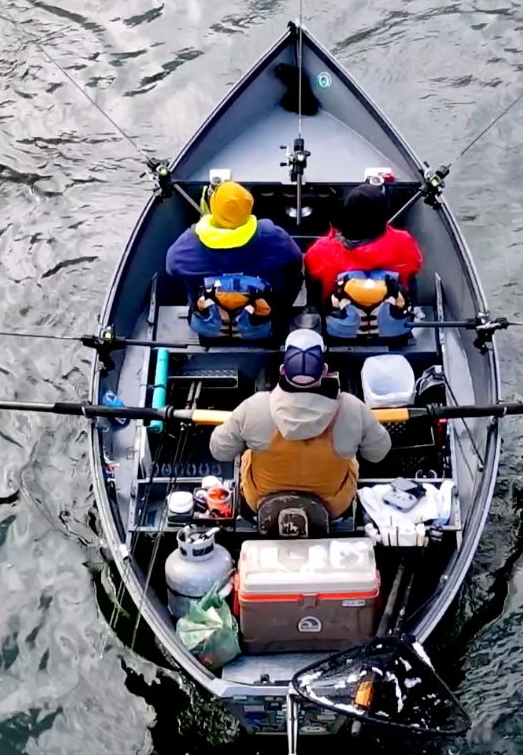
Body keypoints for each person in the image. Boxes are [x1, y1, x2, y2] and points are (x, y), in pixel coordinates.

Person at [210, 329, 391, 516]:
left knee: (249, 454)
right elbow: (378, 453)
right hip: (331, 508)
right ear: (324, 371)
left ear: (282, 370)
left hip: (262, 504)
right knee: (350, 458)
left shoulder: (254, 407)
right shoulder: (353, 409)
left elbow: (219, 450)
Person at [164, 180, 303, 304]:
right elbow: (296, 260)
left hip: (210, 318)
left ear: (213, 207)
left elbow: (172, 270)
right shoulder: (273, 236)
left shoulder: (186, 246)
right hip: (263, 315)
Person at [304, 181, 423, 292]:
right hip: (391, 303)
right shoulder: (405, 244)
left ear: (345, 214)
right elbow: (415, 265)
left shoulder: (320, 252)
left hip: (336, 306)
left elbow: (310, 270)